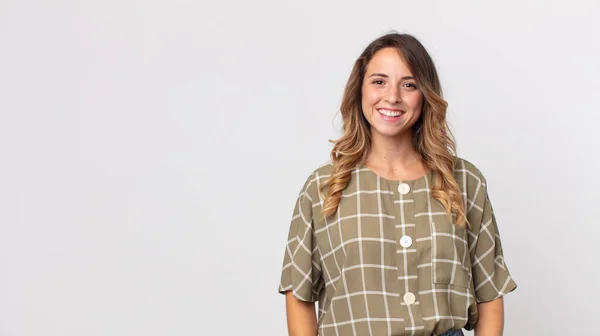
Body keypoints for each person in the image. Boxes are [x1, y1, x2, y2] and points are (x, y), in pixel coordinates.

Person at [277, 33, 517, 336]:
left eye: (409, 84)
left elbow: (490, 293)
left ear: (425, 94)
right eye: (379, 82)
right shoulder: (323, 187)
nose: (392, 97)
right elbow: (298, 293)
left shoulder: (464, 182)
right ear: (359, 90)